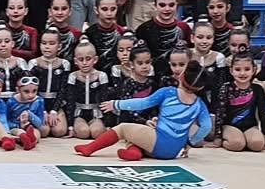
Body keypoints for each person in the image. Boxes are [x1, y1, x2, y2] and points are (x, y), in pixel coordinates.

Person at [74, 59, 213, 162]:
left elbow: (142, 103)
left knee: (123, 129)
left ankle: (89, 148)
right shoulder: (200, 105)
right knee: (138, 135)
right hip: (174, 151)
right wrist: (190, 142)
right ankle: (135, 152)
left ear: (181, 77)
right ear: (200, 87)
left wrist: (116, 104)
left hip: (159, 142)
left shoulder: (168, 92)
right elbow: (206, 127)